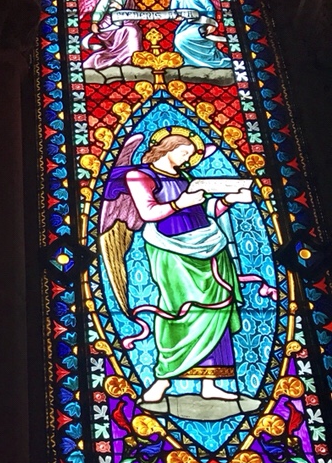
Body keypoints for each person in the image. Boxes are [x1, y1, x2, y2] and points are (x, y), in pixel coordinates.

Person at [100, 129, 252, 404]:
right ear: (167, 148)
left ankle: (211, 383)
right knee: (176, 310)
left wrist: (230, 200)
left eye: (190, 156)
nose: (186, 160)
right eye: (183, 153)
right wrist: (180, 202)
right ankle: (162, 380)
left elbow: (203, 212)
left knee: (216, 311)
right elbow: (148, 213)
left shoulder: (185, 177)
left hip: (209, 246)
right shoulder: (139, 175)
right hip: (171, 250)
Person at [158, 0, 229, 69]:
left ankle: (209, 64)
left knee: (180, 39)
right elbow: (173, 14)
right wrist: (177, 17)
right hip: (186, 25)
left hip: (202, 23)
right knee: (179, 39)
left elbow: (210, 8)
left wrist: (211, 23)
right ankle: (189, 65)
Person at [82, 0, 143, 69]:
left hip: (125, 22)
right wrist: (95, 23)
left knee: (134, 30)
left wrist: (120, 8)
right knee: (130, 30)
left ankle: (132, 58)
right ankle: (123, 58)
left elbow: (133, 12)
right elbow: (99, 10)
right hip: (108, 24)